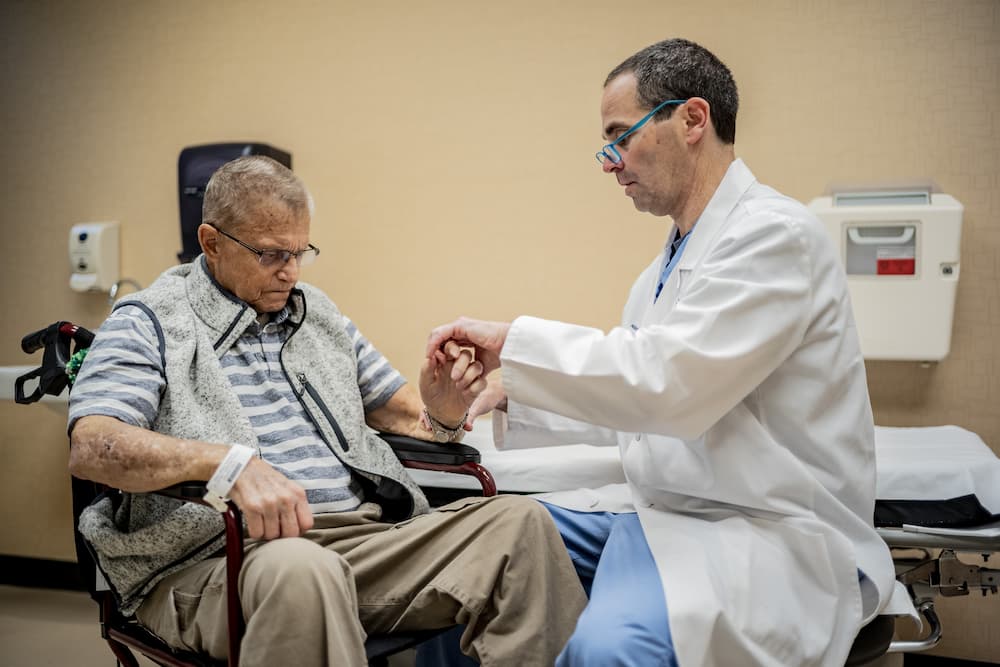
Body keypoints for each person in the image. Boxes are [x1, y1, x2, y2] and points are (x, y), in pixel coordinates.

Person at [425, 38, 899, 667]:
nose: (610, 163)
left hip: (767, 534)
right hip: (664, 518)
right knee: (461, 569)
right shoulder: (660, 274)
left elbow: (668, 387)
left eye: (620, 137)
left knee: (608, 650)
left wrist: (516, 342)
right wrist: (513, 390)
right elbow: (642, 408)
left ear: (692, 119)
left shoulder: (775, 238)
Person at [67, 155, 587, 667]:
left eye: (300, 252)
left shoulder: (318, 315)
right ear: (212, 242)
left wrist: (444, 408)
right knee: (301, 570)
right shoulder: (150, 321)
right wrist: (228, 465)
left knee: (521, 525)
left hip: (357, 540)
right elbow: (93, 445)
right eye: (271, 255)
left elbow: (409, 418)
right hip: (217, 561)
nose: (289, 272)